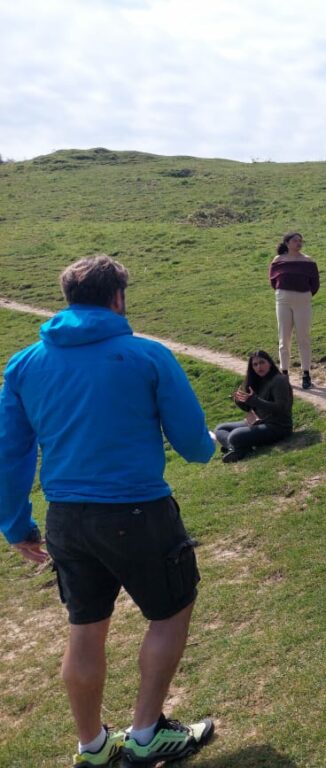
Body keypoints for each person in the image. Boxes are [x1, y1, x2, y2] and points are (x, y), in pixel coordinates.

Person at [0, 255, 215, 766]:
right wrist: (206, 445)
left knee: (86, 626)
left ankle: (93, 747)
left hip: (66, 520)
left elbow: (10, 452)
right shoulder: (147, 355)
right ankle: (145, 735)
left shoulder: (25, 364)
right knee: (170, 612)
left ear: (68, 298)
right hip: (139, 511)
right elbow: (194, 444)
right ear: (118, 297)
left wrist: (15, 525)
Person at [214, 350, 293, 463]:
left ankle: (236, 447)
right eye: (255, 364)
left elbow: (281, 408)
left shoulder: (279, 380)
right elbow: (249, 408)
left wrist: (255, 401)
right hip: (259, 422)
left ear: (269, 363)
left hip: (278, 427)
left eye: (262, 362)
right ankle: (238, 448)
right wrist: (240, 401)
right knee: (220, 429)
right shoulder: (256, 381)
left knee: (234, 436)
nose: (259, 367)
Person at [269, 231, 319, 390]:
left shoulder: (308, 261)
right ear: (287, 243)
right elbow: (273, 280)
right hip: (283, 300)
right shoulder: (278, 260)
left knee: (303, 337)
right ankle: (284, 373)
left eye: (300, 241)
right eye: (295, 240)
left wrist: (305, 294)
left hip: (302, 300)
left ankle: (306, 374)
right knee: (284, 337)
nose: (299, 243)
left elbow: (315, 283)